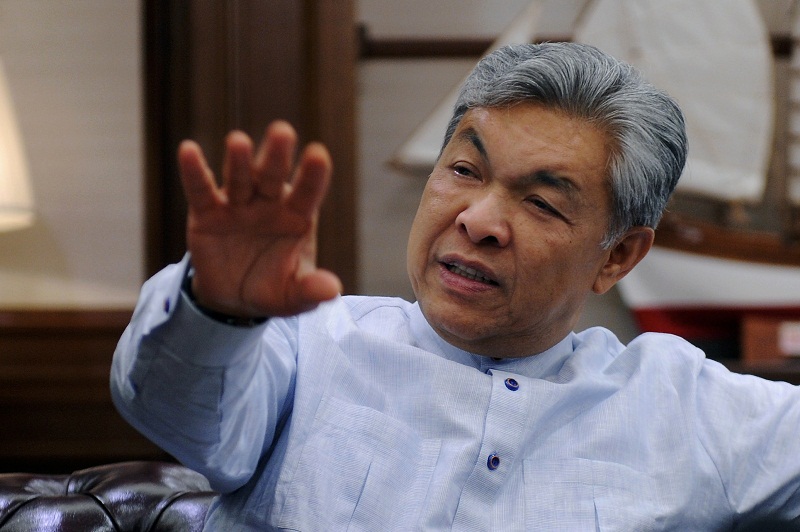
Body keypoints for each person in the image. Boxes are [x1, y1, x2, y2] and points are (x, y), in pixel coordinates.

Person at [111, 42, 800, 530]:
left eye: (542, 203)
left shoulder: (682, 407)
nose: (478, 220)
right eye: (465, 172)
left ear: (616, 257)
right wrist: (218, 310)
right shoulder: (305, 346)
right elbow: (172, 405)